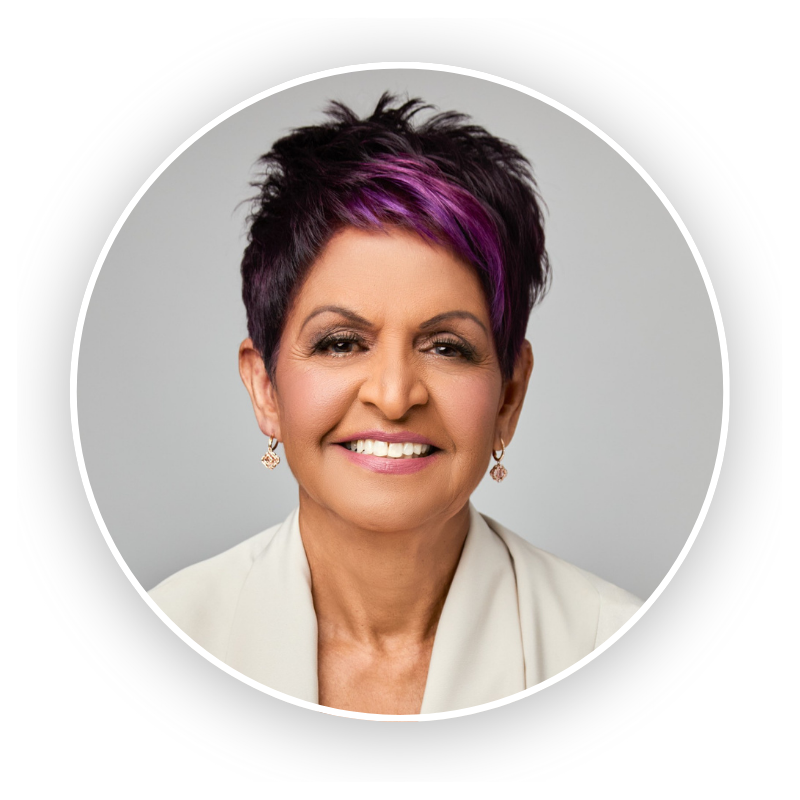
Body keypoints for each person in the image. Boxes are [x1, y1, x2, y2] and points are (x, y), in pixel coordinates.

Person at [150, 93, 642, 715]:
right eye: (340, 342)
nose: (393, 395)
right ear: (265, 388)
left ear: (509, 397)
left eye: (447, 347)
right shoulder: (178, 622)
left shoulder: (602, 635)